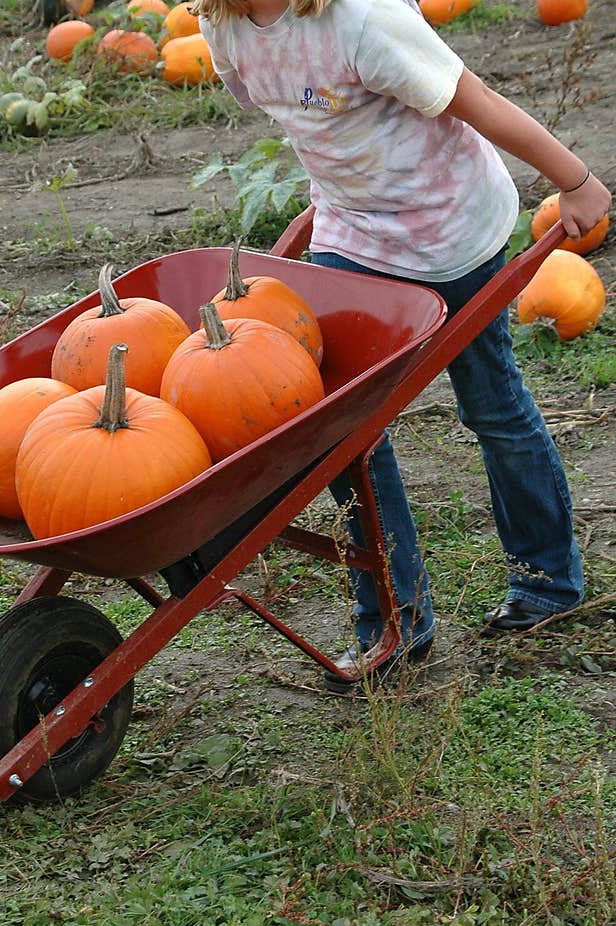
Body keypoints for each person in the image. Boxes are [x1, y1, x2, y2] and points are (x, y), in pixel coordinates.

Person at [195, 0, 612, 691]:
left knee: (492, 406)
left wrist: (575, 179)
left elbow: (475, 99)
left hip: (450, 234)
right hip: (355, 236)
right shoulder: (223, 28)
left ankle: (546, 580)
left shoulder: (363, 19)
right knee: (338, 424)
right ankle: (397, 617)